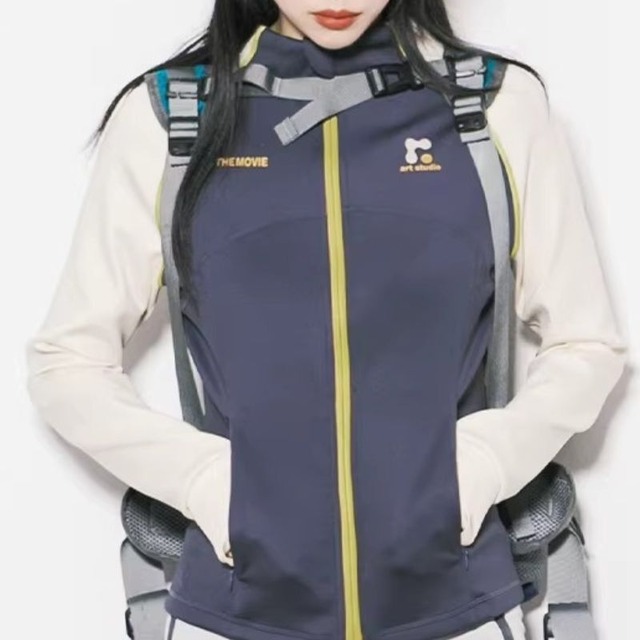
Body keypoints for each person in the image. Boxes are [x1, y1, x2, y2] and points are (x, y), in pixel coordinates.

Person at [24, 1, 628, 640]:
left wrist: (483, 464)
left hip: (460, 601)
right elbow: (66, 364)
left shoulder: (492, 106)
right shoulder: (173, 117)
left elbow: (586, 344)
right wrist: (204, 480)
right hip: (233, 608)